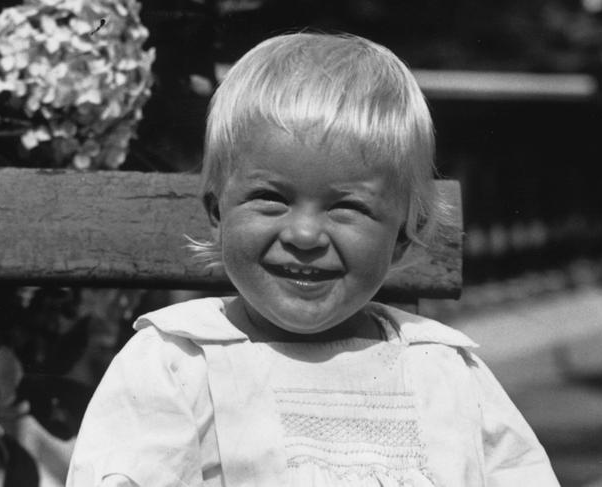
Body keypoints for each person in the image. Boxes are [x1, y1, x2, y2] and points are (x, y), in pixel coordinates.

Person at [66, 33, 560, 486]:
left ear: (405, 237)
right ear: (218, 212)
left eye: (347, 207)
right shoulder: (179, 361)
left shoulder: (444, 370)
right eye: (271, 198)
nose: (304, 234)